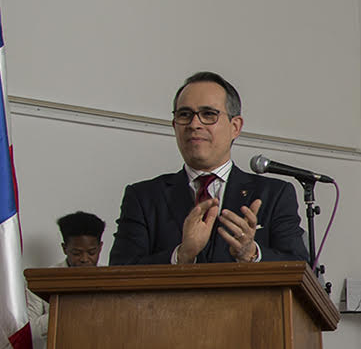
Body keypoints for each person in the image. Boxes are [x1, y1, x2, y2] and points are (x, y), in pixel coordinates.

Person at [109, 71, 310, 266]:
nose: (194, 124)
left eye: (208, 114)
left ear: (235, 127)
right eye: (185, 114)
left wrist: (251, 254)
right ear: (174, 125)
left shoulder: (273, 194)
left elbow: (300, 267)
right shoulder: (144, 197)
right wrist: (181, 256)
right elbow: (120, 272)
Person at [26, 211, 105, 349]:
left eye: (91, 252)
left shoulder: (112, 279)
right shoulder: (43, 280)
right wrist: (66, 311)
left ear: (100, 247)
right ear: (64, 248)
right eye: (77, 253)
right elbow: (30, 330)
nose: (85, 259)